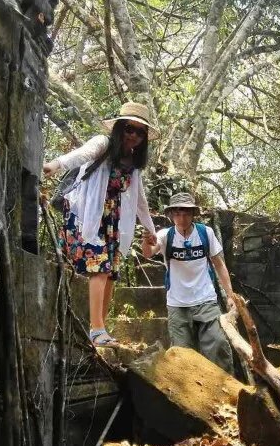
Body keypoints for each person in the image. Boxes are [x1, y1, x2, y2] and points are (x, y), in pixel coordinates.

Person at [43, 102, 157, 346]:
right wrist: (56, 164)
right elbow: (81, 154)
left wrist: (150, 229)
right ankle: (96, 329)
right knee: (100, 266)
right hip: (86, 215)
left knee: (111, 271)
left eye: (140, 132)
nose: (133, 136)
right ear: (118, 128)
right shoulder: (103, 144)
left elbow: (139, 199)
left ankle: (100, 331)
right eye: (129, 129)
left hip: (111, 220)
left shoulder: (133, 163)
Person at [142, 192, 235, 372]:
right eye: (177, 214)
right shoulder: (165, 235)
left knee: (217, 345)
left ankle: (225, 391)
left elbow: (219, 264)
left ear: (193, 214)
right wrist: (146, 241)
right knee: (182, 357)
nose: (181, 218)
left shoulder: (205, 233)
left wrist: (230, 295)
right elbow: (148, 252)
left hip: (206, 300)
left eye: (185, 213)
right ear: (171, 215)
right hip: (177, 304)